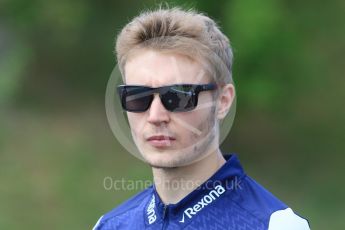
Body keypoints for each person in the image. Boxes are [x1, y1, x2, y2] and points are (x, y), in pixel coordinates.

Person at [93, 7, 310, 230]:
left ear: (223, 101)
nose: (156, 116)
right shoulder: (109, 225)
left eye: (179, 96)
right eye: (137, 97)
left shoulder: (275, 225)